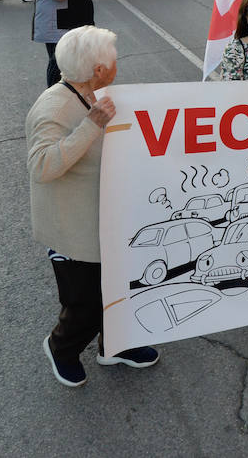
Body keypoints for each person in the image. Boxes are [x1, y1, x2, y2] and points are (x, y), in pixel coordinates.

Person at [27, 26, 159, 386]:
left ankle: (114, 346)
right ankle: (61, 348)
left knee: (118, 288)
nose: (118, 64)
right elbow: (42, 166)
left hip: (106, 218)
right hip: (75, 228)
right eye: (114, 60)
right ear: (99, 69)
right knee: (85, 303)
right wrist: (91, 126)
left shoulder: (91, 94)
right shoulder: (55, 107)